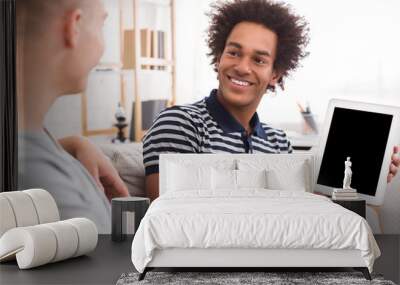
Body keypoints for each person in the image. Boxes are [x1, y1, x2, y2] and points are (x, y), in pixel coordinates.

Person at [143, 0, 400, 201]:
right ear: (219, 57)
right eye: (234, 52)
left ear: (275, 74)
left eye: (259, 60)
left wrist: (361, 177)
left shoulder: (279, 143)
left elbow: (291, 211)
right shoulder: (179, 124)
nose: (242, 67)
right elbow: (167, 218)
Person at [17, 0, 129, 233]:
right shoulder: (49, 192)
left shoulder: (29, 142)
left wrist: (70, 146)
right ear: (74, 27)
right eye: (101, 26)